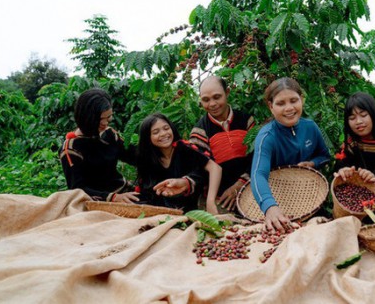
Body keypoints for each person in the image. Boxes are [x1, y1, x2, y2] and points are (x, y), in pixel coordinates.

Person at [251, 77, 331, 232]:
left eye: (294, 100)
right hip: (280, 199)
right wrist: (269, 207)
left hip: (310, 197)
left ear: (302, 100)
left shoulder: (311, 128)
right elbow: (258, 174)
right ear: (271, 106)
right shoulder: (267, 137)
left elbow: (324, 156)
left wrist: (313, 163)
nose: (289, 108)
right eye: (280, 103)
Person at [59, 88, 138, 203]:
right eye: (100, 119)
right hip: (99, 203)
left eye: (109, 117)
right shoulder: (71, 149)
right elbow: (77, 189)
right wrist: (113, 197)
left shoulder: (109, 134)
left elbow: (134, 156)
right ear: (87, 117)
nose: (105, 123)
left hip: (125, 192)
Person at [189, 76, 255, 212]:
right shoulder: (199, 132)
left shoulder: (246, 120)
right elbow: (200, 170)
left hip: (251, 189)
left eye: (217, 97)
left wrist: (240, 184)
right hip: (222, 199)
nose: (212, 104)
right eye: (206, 100)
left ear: (227, 92)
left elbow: (257, 157)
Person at [136, 113, 222, 214]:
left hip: (192, 212)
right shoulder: (146, 160)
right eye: (156, 132)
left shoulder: (185, 148)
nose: (163, 134)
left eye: (166, 128)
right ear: (148, 138)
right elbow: (144, 191)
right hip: (161, 215)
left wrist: (210, 202)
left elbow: (215, 168)